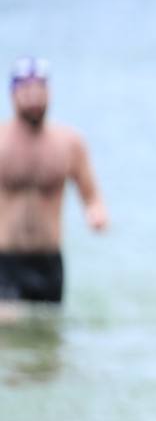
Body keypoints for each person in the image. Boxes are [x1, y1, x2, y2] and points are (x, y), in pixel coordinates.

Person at [0, 56, 108, 306]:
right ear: (13, 95)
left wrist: (96, 213)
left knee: (47, 337)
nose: (35, 100)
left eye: (40, 91)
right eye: (27, 92)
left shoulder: (69, 143)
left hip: (49, 263)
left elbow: (91, 195)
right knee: (9, 329)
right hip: (5, 259)